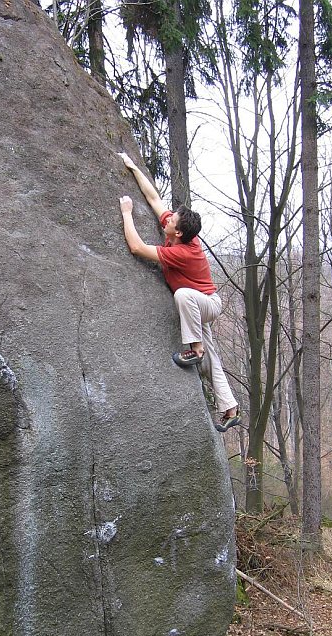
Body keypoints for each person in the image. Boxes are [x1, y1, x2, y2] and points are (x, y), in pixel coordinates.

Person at [118, 152, 240, 432]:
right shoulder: (177, 231)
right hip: (201, 304)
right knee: (212, 361)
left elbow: (137, 248)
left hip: (207, 303)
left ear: (179, 233)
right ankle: (230, 408)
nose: (169, 218)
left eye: (173, 219)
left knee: (183, 294)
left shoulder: (183, 251)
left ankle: (193, 349)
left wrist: (127, 214)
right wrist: (134, 167)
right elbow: (154, 199)